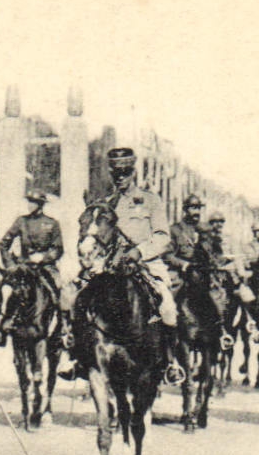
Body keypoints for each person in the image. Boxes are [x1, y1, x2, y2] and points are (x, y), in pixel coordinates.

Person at [70, 147, 181, 380]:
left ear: (133, 172)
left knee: (168, 306)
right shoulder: (106, 203)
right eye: (116, 173)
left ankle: (171, 362)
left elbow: (162, 236)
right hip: (110, 266)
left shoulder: (150, 201)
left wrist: (138, 252)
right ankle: (79, 358)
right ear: (111, 173)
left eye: (126, 172)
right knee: (79, 299)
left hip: (146, 264)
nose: (121, 177)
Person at [0, 188, 64, 334]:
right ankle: (0, 324)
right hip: (24, 266)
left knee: (58, 291)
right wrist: (10, 264)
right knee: (6, 289)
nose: (30, 205)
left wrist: (44, 258)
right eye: (29, 202)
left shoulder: (52, 223)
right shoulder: (21, 221)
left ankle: (60, 327)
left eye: (34, 202)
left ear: (41, 204)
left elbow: (58, 248)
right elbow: (4, 243)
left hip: (46, 268)